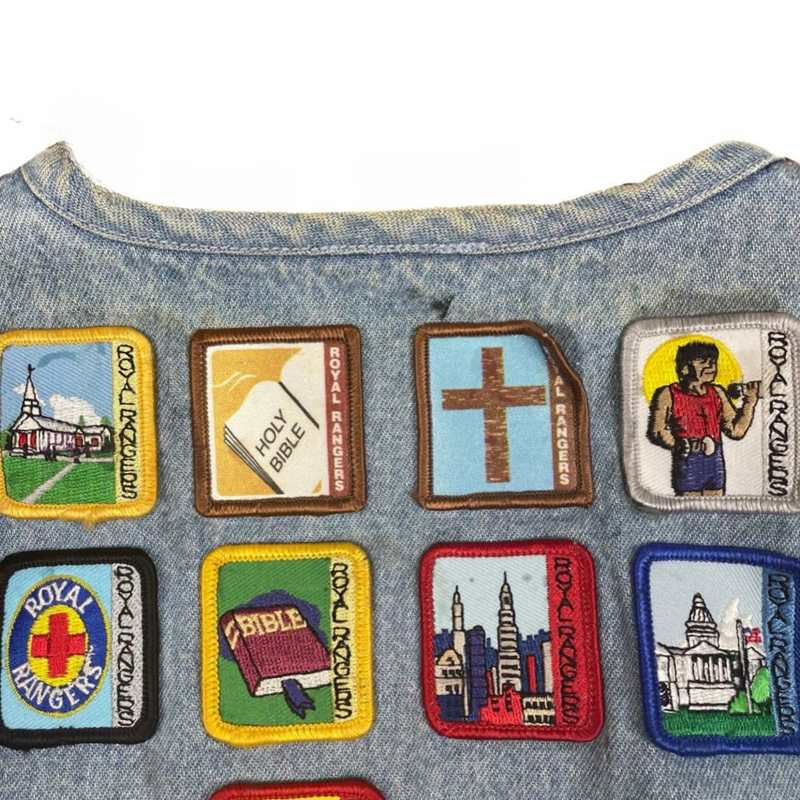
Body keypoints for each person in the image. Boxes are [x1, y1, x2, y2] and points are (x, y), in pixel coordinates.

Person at [647, 341, 760, 496]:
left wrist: (749, 402)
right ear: (685, 367)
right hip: (688, 461)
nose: (711, 365)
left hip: (714, 463)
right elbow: (657, 430)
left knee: (715, 506)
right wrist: (677, 444)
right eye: (703, 361)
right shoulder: (668, 394)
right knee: (690, 506)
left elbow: (736, 430)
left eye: (713, 361)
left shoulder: (717, 393)